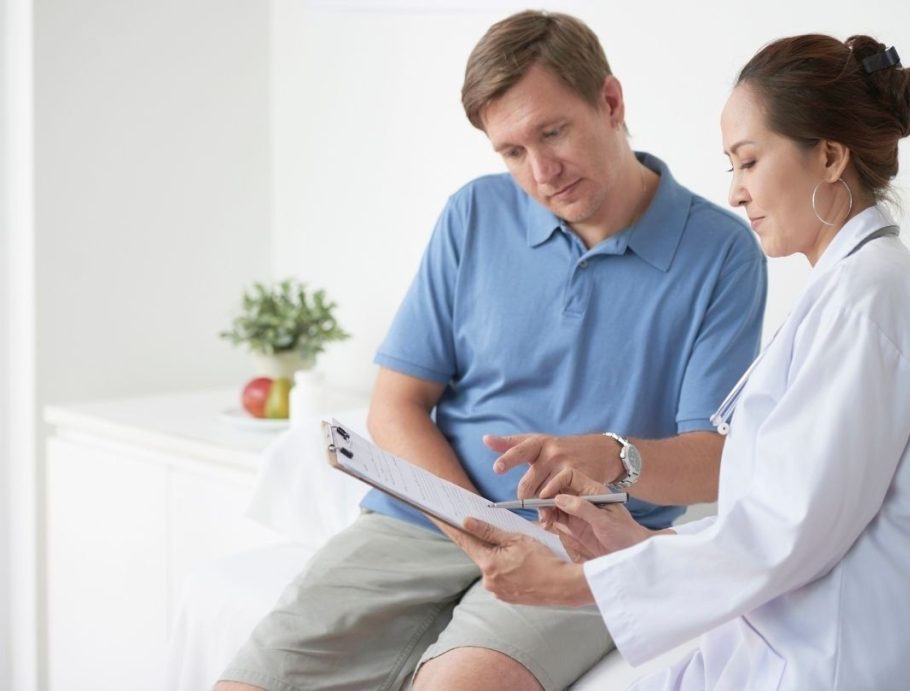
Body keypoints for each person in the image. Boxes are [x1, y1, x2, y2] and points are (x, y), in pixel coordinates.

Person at [216, 10, 766, 691]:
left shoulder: (721, 252)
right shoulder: (474, 214)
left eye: (553, 131)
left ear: (611, 101)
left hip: (582, 545)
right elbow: (397, 403)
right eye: (511, 152)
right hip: (425, 523)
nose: (540, 171)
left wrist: (614, 456)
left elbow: (717, 464)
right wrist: (470, 525)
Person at [455, 33, 910, 691]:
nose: (735, 192)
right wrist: (628, 543)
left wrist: (569, 583)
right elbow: (784, 517)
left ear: (828, 156)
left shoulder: (870, 299)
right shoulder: (848, 292)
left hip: (838, 663)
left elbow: (782, 538)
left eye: (749, 161)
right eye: (731, 166)